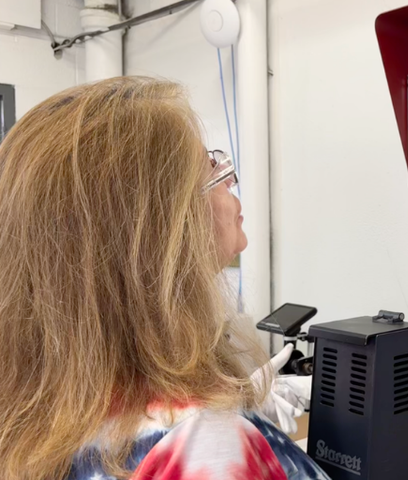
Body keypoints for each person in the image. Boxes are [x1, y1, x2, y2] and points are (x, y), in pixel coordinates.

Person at [0, 77, 330, 480]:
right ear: (158, 230)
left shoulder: (32, 408)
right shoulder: (200, 443)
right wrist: (226, 431)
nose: (230, 180)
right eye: (212, 168)